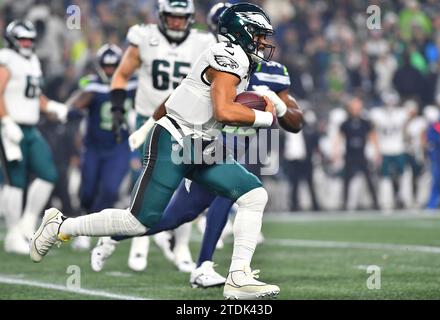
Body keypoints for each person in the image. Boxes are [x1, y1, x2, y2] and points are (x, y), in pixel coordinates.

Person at [31, 2, 282, 300]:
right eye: (259, 34)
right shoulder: (227, 55)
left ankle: (238, 277)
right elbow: (224, 111)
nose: (264, 42)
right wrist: (266, 116)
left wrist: (256, 108)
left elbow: (214, 107)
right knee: (137, 221)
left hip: (201, 144)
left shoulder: (236, 57)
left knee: (254, 194)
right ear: (242, 32)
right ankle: (61, 225)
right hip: (175, 141)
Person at [90, 2, 303, 290]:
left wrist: (277, 107)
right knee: (180, 213)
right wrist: (148, 125)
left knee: (214, 205)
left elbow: (295, 122)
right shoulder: (218, 59)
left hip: (249, 145)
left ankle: (214, 269)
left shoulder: (272, 70)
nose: (261, 41)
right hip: (210, 141)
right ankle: (194, 262)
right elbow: (179, 96)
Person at [109, 0, 217, 273]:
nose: (177, 22)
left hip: (185, 121)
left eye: (182, 18)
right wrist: (118, 109)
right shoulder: (144, 37)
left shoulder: (203, 41)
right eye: (171, 17)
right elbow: (121, 75)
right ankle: (139, 242)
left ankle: (180, 247)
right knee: (144, 180)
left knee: (185, 184)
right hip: (149, 121)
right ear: (161, 16)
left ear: (191, 18)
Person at [0, 20, 68, 255]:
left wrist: (50, 105)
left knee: (48, 173)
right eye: (23, 40)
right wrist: (6, 121)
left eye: (30, 39)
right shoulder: (6, 58)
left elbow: (33, 93)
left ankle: (27, 223)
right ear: (12, 40)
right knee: (15, 181)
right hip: (10, 127)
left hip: (30, 128)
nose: (27, 44)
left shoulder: (32, 61)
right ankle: (12, 235)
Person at [65, 44, 137, 250]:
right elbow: (72, 106)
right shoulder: (92, 85)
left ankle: (90, 230)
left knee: (110, 189)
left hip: (118, 147)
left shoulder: (132, 85)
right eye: (106, 66)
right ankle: (84, 222)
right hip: (93, 147)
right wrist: (73, 111)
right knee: (87, 191)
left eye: (114, 66)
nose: (109, 70)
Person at [333, 97, 380, 210]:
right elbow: (339, 138)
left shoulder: (365, 123)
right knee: (346, 180)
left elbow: (373, 137)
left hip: (361, 155)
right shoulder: (345, 123)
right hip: (350, 155)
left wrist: (377, 152)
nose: (355, 110)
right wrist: (335, 152)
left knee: (369, 179)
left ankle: (375, 203)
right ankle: (344, 204)